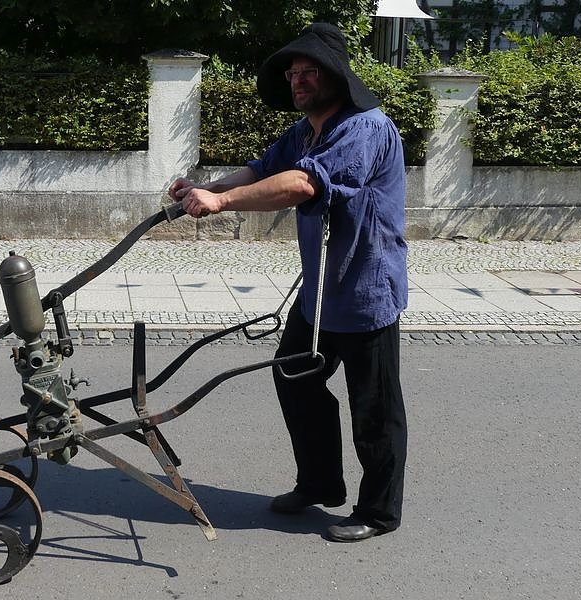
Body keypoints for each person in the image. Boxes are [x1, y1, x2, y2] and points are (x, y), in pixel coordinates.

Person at [169, 23, 408, 542]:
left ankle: (378, 512)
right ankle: (320, 483)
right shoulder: (305, 132)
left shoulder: (364, 128)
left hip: (367, 292)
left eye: (309, 71)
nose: (298, 80)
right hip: (320, 294)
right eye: (293, 73)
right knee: (294, 380)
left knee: (375, 408)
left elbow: (302, 183)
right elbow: (261, 170)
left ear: (335, 77)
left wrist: (223, 202)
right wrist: (205, 190)